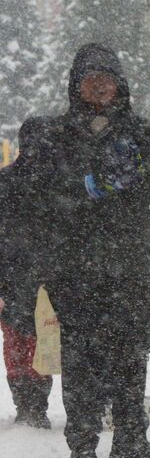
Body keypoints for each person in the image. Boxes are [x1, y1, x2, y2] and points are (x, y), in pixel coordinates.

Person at [11, 44, 150, 458]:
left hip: (130, 264)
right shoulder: (56, 135)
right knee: (81, 358)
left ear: (120, 85)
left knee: (130, 354)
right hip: (75, 266)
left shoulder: (141, 133)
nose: (99, 86)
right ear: (76, 85)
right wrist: (86, 188)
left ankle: (131, 440)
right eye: (90, 79)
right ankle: (82, 445)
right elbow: (38, 191)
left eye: (107, 79)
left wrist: (134, 177)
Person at [0, 120, 54, 428]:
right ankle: (34, 406)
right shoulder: (55, 184)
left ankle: (27, 405)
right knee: (36, 341)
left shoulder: (6, 181)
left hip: (15, 275)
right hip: (39, 275)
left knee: (19, 343)